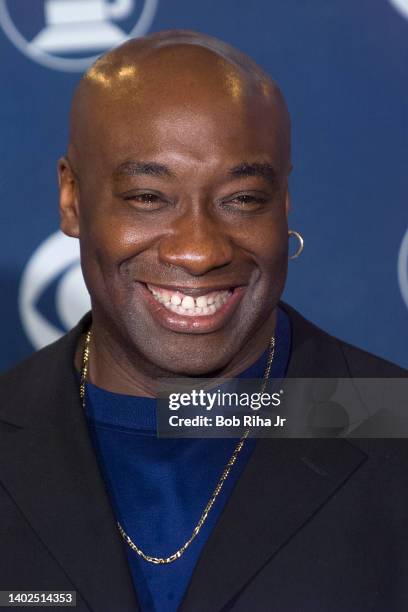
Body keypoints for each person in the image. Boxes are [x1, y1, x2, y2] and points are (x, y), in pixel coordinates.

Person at [0, 30, 406, 612]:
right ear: (71, 198)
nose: (199, 250)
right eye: (147, 197)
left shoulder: (393, 424)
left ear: (284, 201)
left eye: (242, 199)